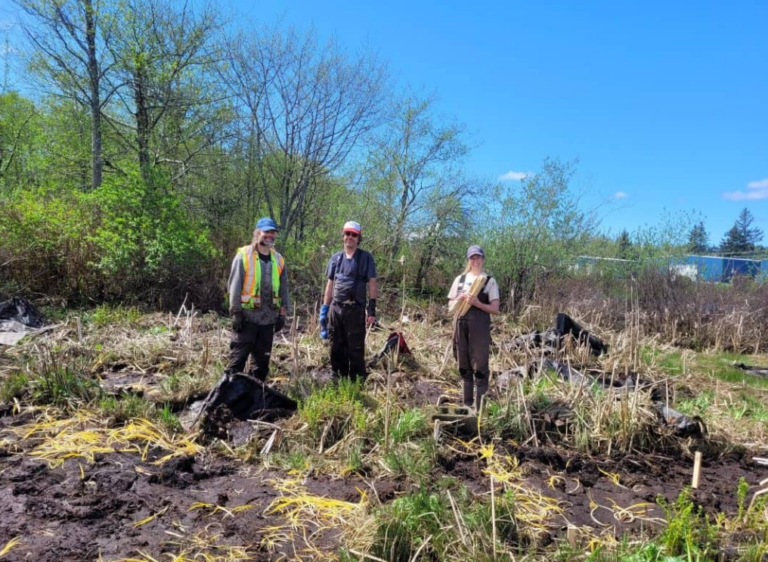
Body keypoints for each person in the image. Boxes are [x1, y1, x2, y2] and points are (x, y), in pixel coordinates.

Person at [227, 217, 291, 381]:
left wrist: (282, 314)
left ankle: (255, 399)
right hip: (246, 320)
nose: (269, 235)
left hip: (268, 320)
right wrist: (236, 312)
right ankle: (227, 401)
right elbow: (235, 284)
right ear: (257, 233)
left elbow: (284, 289)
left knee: (261, 366)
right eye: (266, 232)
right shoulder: (244, 255)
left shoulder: (278, 259)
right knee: (236, 363)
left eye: (272, 232)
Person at [319, 221, 378, 381]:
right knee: (335, 346)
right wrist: (324, 309)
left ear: (359, 238)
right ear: (343, 236)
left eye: (354, 235)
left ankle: (357, 380)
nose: (350, 237)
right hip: (336, 310)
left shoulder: (366, 258)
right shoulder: (335, 259)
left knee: (355, 348)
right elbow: (330, 284)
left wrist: (371, 310)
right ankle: (338, 377)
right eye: (347, 234)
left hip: (356, 310)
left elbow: (372, 283)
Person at [448, 245, 500, 412]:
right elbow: (450, 306)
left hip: (480, 327)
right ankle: (467, 405)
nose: (475, 260)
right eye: (472, 258)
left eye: (478, 257)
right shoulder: (460, 280)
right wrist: (459, 299)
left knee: (480, 365)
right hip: (460, 324)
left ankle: (480, 409)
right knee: (464, 364)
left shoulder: (489, 281)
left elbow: (495, 309)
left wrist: (477, 303)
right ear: (468, 260)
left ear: (483, 259)